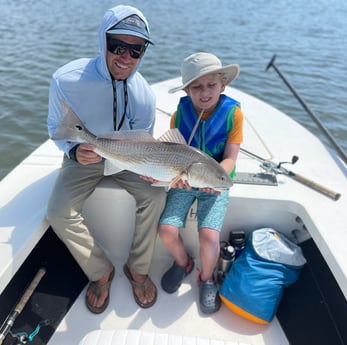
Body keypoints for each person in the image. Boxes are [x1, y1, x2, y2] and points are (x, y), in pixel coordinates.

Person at [46, 5, 165, 314]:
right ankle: (101, 272)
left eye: (135, 50)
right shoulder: (66, 80)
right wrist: (73, 151)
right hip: (83, 156)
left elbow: (145, 143)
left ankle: (137, 268)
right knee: (58, 212)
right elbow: (54, 128)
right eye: (118, 46)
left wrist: (152, 170)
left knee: (155, 195)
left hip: (128, 159)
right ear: (103, 41)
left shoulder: (145, 96)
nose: (126, 57)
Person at [158, 52, 243, 314]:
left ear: (223, 85)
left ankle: (207, 279)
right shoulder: (178, 115)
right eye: (196, 86)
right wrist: (175, 177)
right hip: (184, 179)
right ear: (186, 89)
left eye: (211, 85)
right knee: (166, 231)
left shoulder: (233, 114)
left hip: (217, 181)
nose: (204, 92)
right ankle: (183, 262)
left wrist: (214, 180)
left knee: (209, 236)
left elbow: (230, 158)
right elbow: (170, 155)